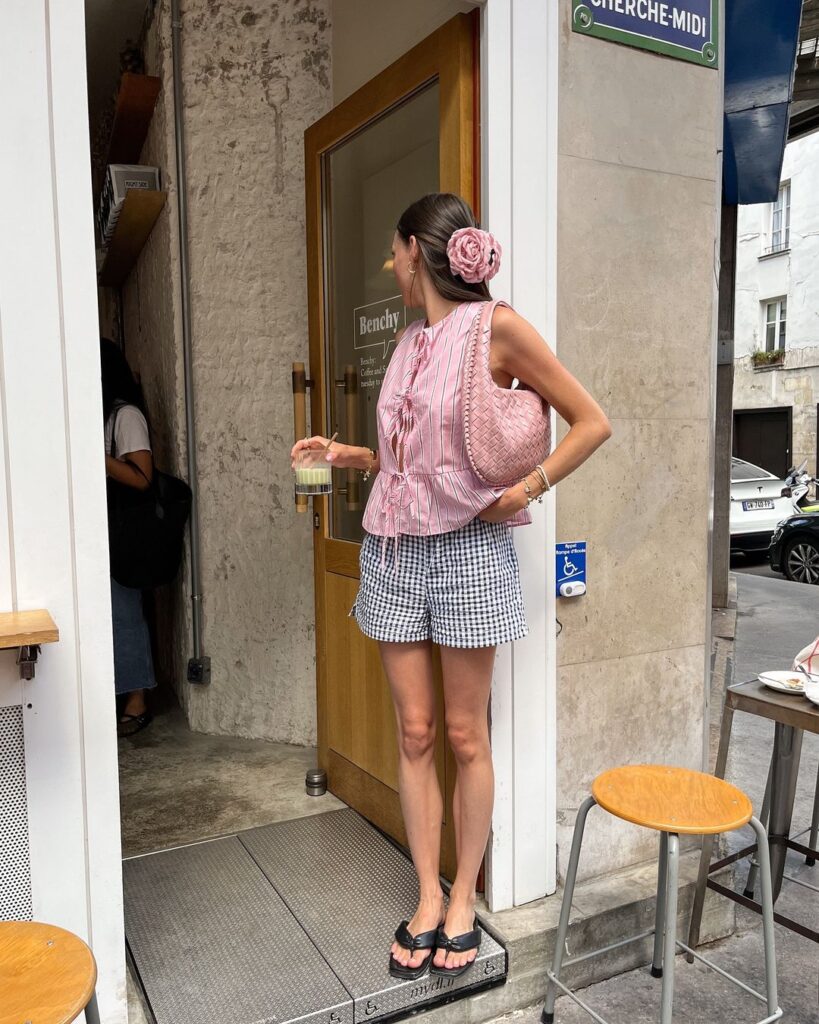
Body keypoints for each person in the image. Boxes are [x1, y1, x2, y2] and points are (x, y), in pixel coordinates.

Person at [290, 192, 612, 979]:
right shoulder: (406, 343)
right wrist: (349, 458)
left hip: (471, 551)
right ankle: (426, 892)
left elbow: (591, 421)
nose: (387, 267)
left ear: (414, 250)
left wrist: (527, 487)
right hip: (394, 553)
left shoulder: (495, 328)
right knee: (414, 733)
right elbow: (414, 464)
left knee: (466, 736)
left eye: (392, 254)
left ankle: (464, 895)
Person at [100, 337, 157, 737]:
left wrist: (95, 456)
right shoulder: (103, 415)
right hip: (104, 528)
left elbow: (142, 478)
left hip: (124, 531)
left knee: (124, 611)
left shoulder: (126, 416)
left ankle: (137, 697)